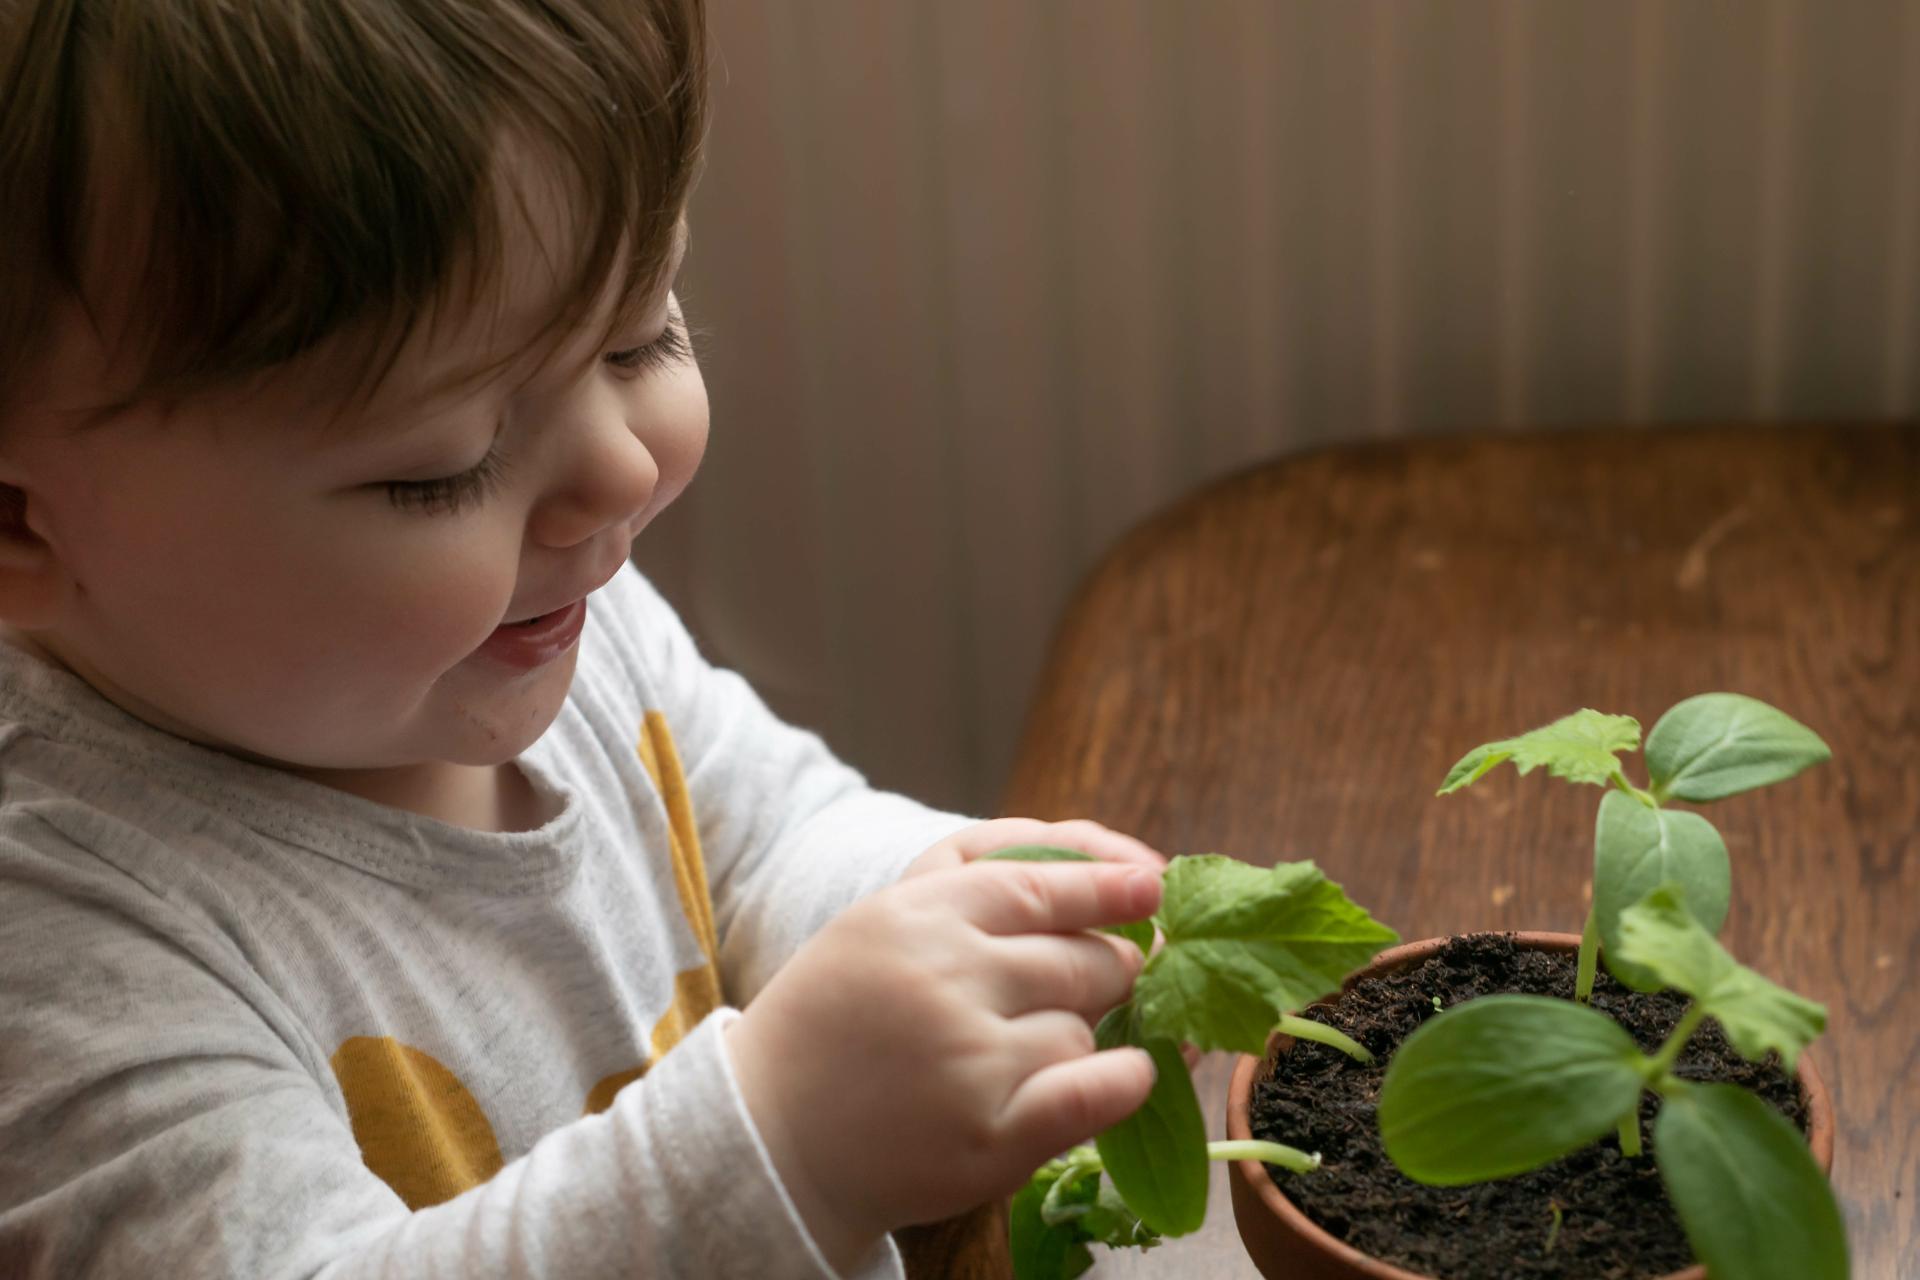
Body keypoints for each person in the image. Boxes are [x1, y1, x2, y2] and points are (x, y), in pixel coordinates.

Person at [0, 3, 1170, 1276]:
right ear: (21, 520)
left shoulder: (531, 621)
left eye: (642, 335)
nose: (618, 472)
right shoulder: (62, 965)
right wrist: (780, 1140)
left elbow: (761, 834)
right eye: (442, 469)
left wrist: (945, 905)